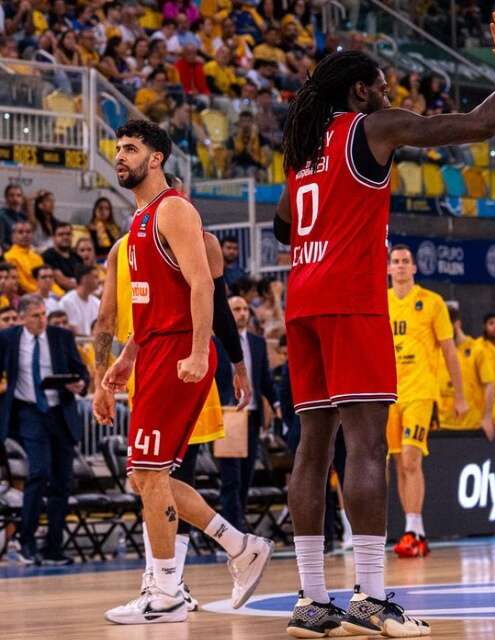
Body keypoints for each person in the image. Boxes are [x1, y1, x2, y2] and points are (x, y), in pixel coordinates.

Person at [274, 14, 495, 635]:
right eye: (383, 87)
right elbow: (478, 124)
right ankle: (369, 594)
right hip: (351, 298)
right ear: (360, 90)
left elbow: (284, 225)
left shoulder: (304, 146)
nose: (390, 96)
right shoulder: (373, 126)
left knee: (313, 447)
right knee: (368, 445)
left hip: (302, 299)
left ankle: (311, 599)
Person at [94, 119, 271, 625]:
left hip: (178, 353)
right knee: (146, 476)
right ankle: (240, 547)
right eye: (118, 148)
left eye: (130, 148)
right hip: (153, 351)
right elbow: (150, 304)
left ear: (156, 159)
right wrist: (128, 356)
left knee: (150, 475)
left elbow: (202, 285)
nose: (120, 156)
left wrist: (197, 352)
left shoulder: (173, 209)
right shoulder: (138, 223)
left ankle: (168, 590)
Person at [95, 224, 252, 614]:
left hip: (179, 362)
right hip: (147, 363)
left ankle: (168, 580)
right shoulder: (123, 250)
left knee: (165, 475)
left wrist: (235, 363)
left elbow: (215, 306)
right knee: (148, 478)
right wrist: (106, 377)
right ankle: (180, 572)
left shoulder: (197, 242)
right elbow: (110, 319)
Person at [386, 244, 466, 559]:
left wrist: (459, 395)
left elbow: (449, 351)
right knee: (397, 462)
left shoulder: (432, 302)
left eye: (405, 261)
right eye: (395, 261)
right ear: (388, 268)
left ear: (414, 268)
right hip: (389, 394)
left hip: (420, 391)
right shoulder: (381, 302)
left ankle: (413, 529)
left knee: (411, 459)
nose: (400, 266)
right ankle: (414, 531)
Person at [0, 295, 89, 565]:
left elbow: (81, 372)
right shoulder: (7, 339)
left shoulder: (61, 337)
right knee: (38, 472)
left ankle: (54, 547)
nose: (42, 320)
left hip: (60, 411)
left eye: (43, 314)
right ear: (22, 317)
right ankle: (26, 541)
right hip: (29, 412)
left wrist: (80, 384)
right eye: (36, 316)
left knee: (62, 481)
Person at [216, 295, 279, 531]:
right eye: (236, 309)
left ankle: (239, 523)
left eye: (245, 309)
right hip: (229, 414)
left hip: (252, 416)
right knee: (231, 478)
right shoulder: (216, 342)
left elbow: (265, 379)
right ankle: (231, 530)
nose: (242, 313)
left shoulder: (257, 342)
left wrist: (276, 403)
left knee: (246, 475)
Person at [437, 305, 495, 440]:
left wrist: (487, 417)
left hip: (471, 426)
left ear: (457, 324)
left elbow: (489, 384)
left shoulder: (477, 350)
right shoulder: (437, 351)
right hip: (442, 426)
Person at [5, 222, 55, 296]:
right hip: (30, 296)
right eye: (20, 232)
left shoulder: (36, 256)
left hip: (47, 294)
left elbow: (49, 280)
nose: (25, 235)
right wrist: (45, 294)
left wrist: (59, 294)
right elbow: (23, 284)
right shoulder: (9, 257)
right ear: (13, 236)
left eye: (28, 232)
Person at [42, 221, 84, 292]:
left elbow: (85, 277)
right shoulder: (48, 256)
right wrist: (84, 288)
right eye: (61, 234)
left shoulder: (77, 256)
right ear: (53, 237)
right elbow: (62, 281)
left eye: (68, 234)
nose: (65, 237)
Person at [58, 266, 100, 336]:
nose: (99, 280)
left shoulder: (97, 302)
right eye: (95, 277)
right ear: (84, 279)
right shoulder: (67, 302)